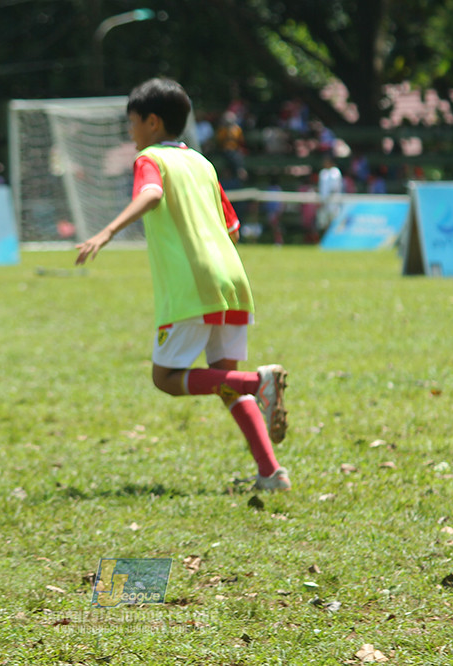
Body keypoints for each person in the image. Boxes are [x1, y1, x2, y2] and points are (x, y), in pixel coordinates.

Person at [75, 77, 291, 492]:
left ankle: (258, 382)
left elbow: (152, 194)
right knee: (224, 383)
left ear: (152, 123)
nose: (130, 132)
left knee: (166, 379)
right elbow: (232, 228)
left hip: (194, 286)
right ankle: (271, 473)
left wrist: (107, 232)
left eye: (132, 123)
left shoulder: (150, 159)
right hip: (233, 281)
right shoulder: (202, 164)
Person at [317, 154, 343, 233]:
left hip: (333, 202)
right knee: (324, 223)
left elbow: (334, 188)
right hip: (324, 202)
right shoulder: (323, 173)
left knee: (334, 222)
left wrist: (328, 199)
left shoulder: (335, 172)